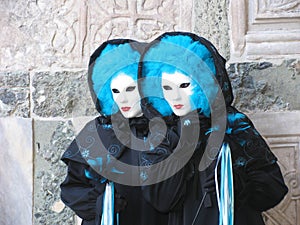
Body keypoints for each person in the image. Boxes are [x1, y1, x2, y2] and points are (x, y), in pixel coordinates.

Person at [138, 32, 288, 225]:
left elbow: (274, 188)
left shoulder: (234, 124)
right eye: (167, 88)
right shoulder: (161, 135)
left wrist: (239, 184)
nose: (175, 97)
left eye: (184, 85)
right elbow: (161, 201)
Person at [60, 39, 175, 225]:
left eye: (130, 89)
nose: (122, 99)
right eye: (115, 91)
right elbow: (73, 187)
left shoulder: (170, 130)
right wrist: (100, 204)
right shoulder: (99, 131)